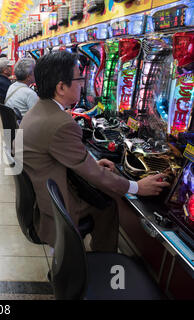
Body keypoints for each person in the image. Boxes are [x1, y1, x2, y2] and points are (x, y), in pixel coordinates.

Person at [15, 51, 170, 251]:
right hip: (54, 206)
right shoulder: (60, 123)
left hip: (43, 191)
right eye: (80, 78)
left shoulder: (39, 109)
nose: (84, 83)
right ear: (61, 87)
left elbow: (66, 157)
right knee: (107, 204)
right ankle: (104, 262)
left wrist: (90, 164)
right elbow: (93, 174)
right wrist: (137, 187)